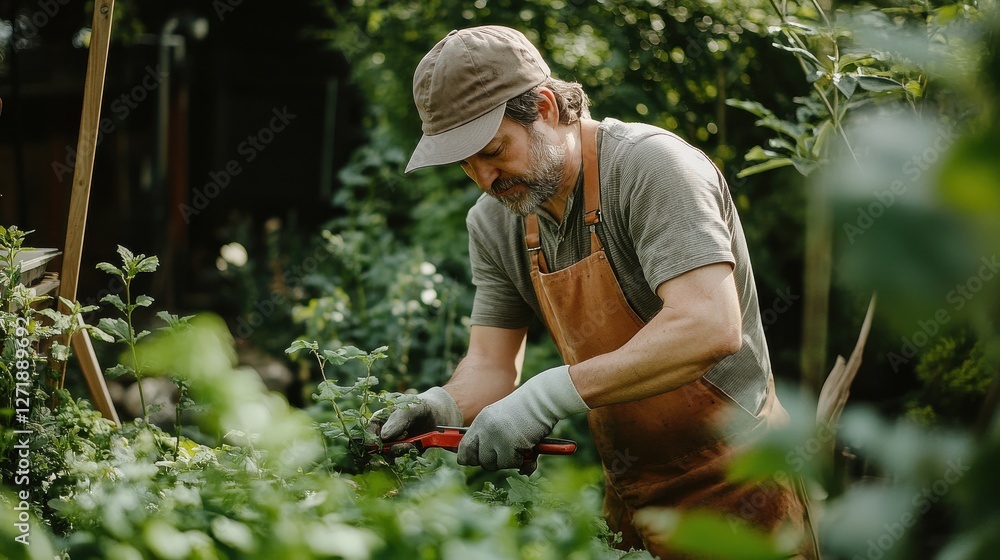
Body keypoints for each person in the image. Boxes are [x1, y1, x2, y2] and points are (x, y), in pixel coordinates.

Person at [381, 25, 818, 558]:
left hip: (742, 484)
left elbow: (708, 325)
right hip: (632, 493)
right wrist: (443, 406)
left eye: (494, 150)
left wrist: (545, 397)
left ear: (543, 107)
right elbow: (491, 366)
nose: (484, 178)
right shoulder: (496, 223)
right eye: (465, 164)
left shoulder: (651, 168)